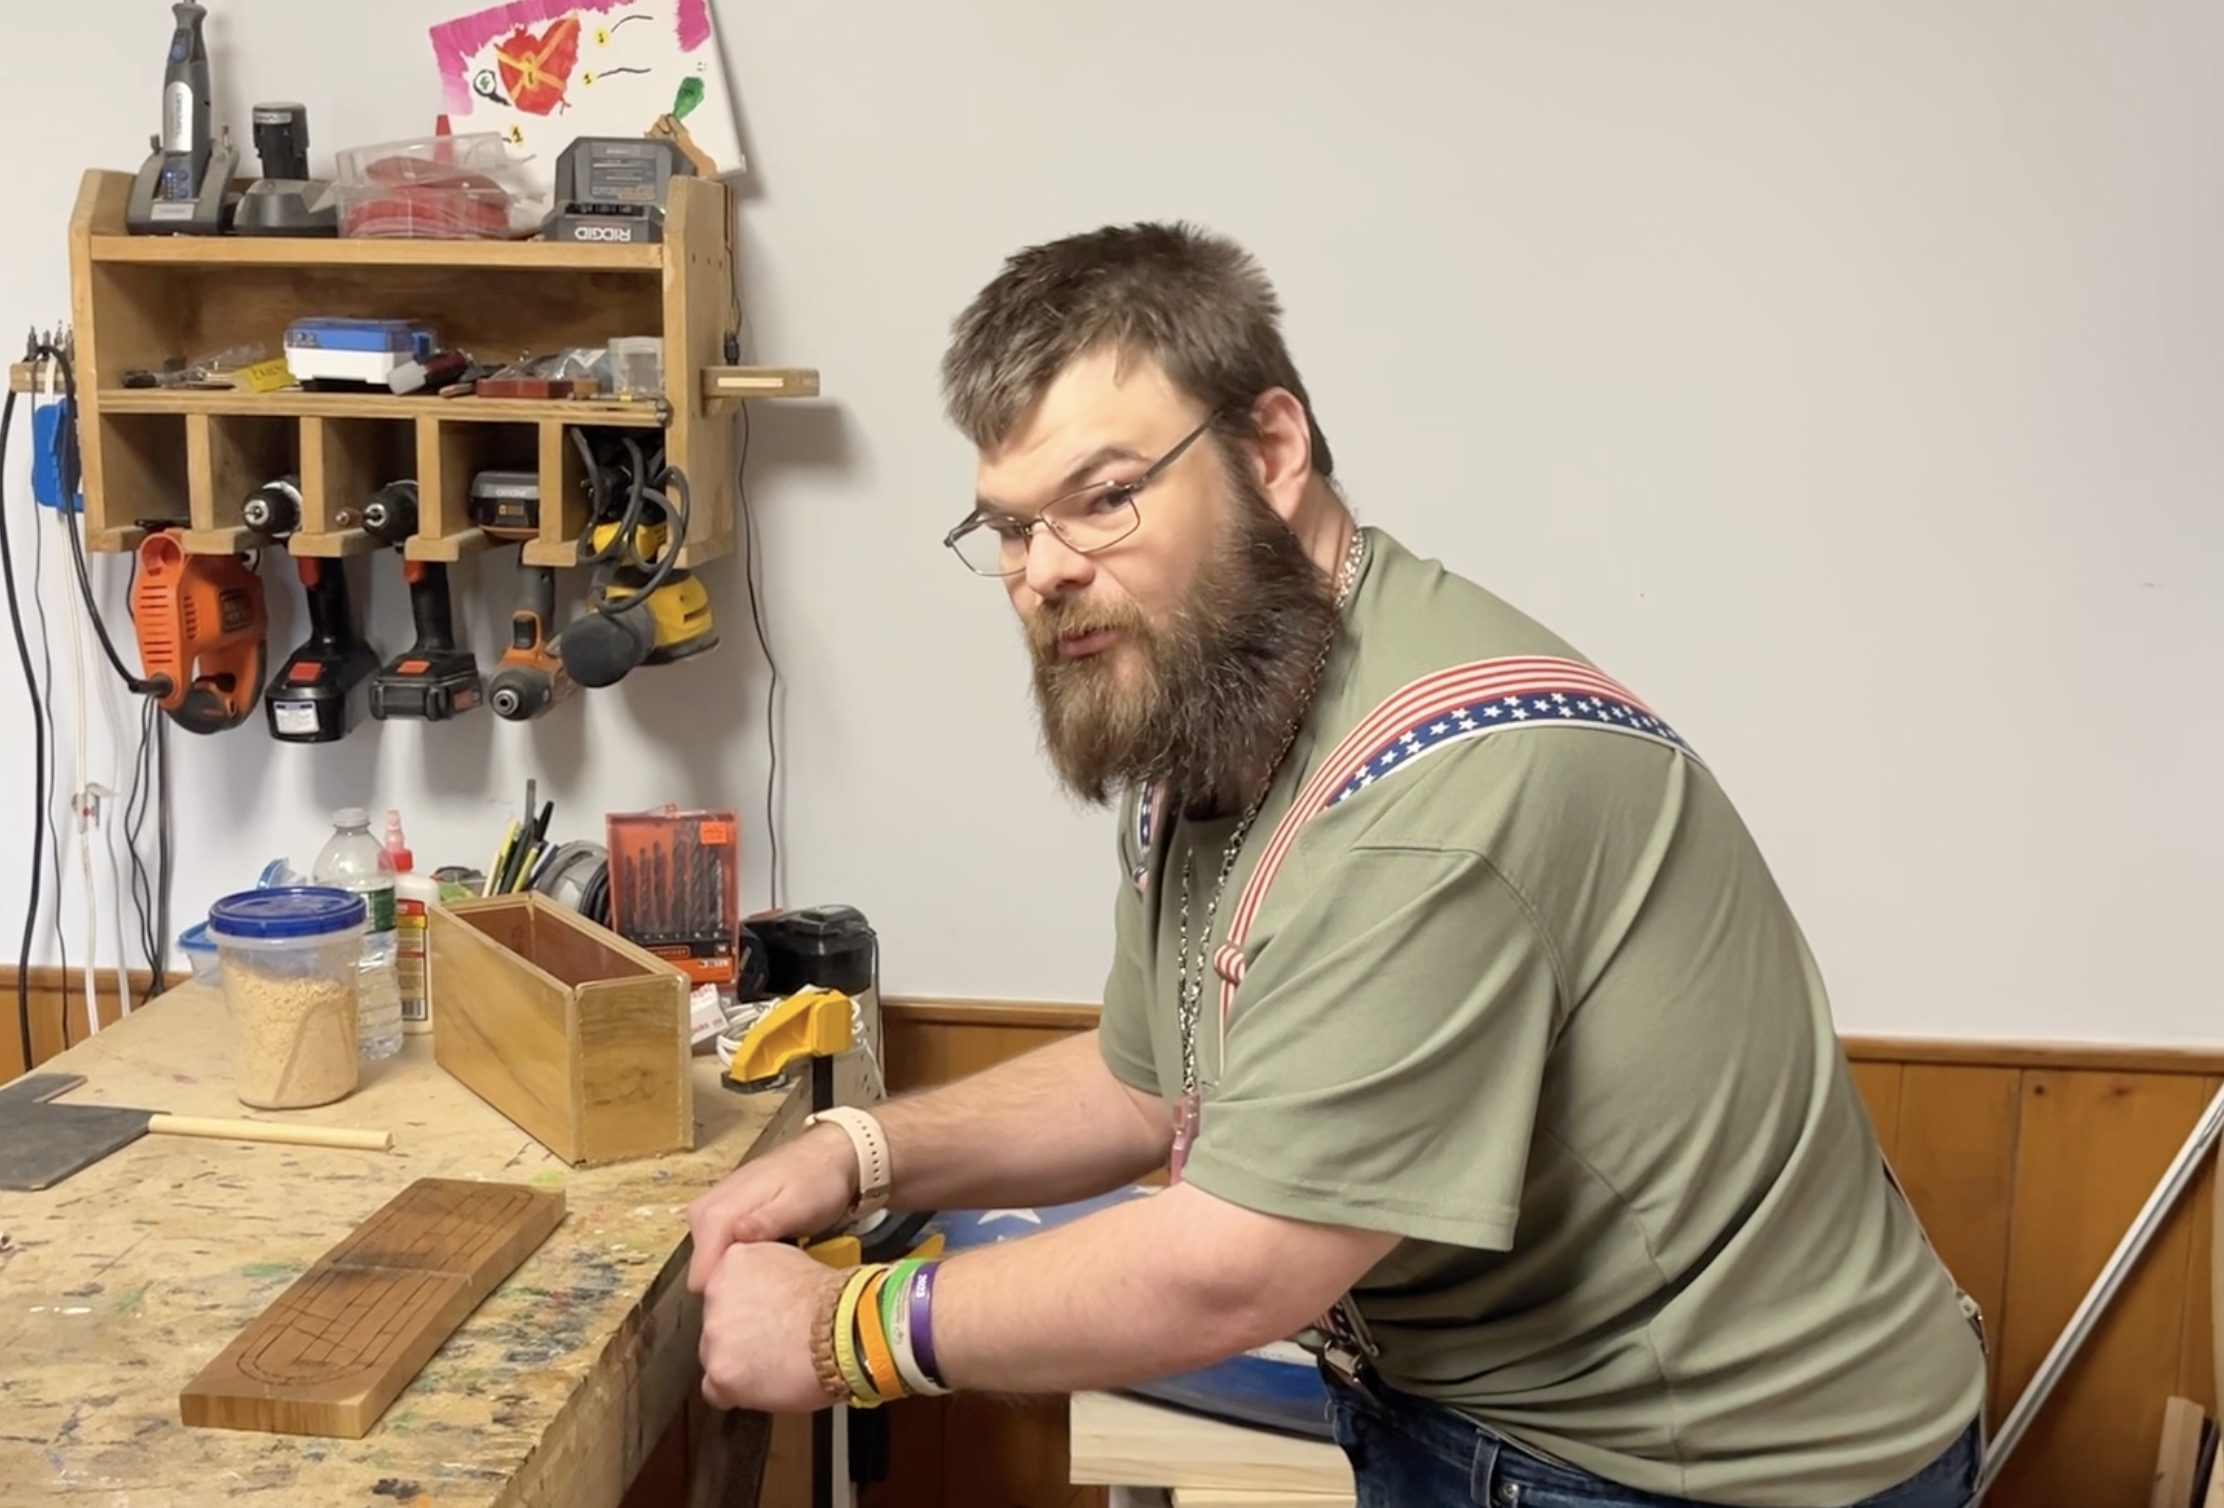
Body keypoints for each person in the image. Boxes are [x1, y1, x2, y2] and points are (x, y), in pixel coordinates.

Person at [686, 222, 1988, 1508]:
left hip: (1697, 1471)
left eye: (1104, 497)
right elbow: (1151, 1086)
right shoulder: (1219, 699)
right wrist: (861, 1153)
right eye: (1011, 528)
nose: (1047, 572)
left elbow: (1236, 1267)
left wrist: (840, 1332)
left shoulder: (1432, 795)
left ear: (1271, 450)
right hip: (1472, 1410)